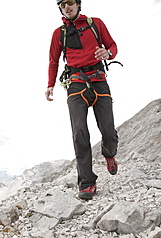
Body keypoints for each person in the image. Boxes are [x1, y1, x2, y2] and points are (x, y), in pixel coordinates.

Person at [45, 0, 119, 200]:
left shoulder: (96, 24)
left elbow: (112, 45)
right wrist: (50, 85)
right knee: (79, 132)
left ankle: (109, 154)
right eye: (62, 5)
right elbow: (53, 60)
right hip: (75, 83)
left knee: (108, 131)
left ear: (78, 4)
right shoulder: (58, 33)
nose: (66, 7)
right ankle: (87, 183)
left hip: (99, 80)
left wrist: (108, 53)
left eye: (69, 3)